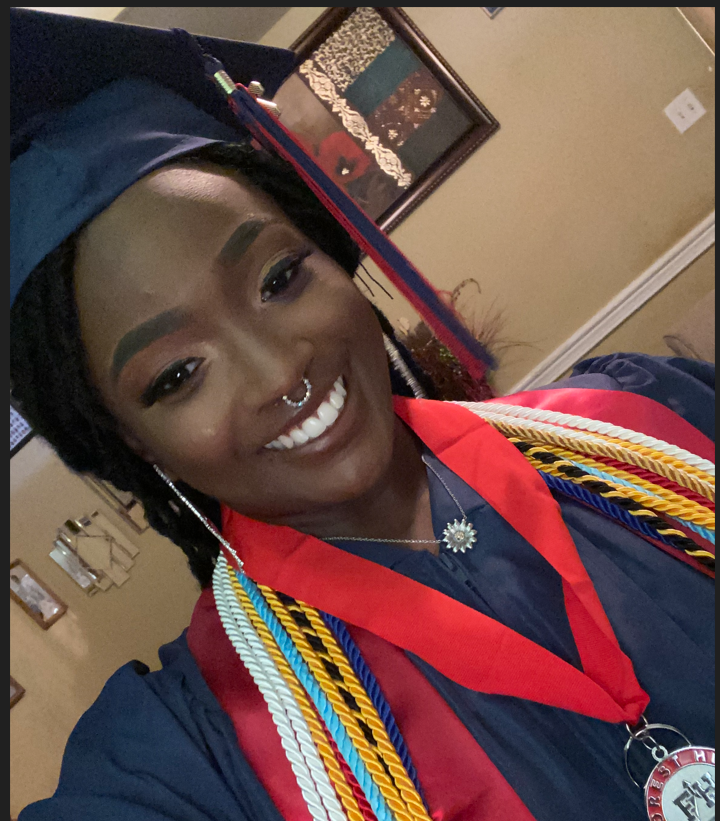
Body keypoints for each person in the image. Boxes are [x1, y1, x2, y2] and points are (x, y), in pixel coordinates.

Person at [10, 9, 714, 821]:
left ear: (331, 251)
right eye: (177, 374)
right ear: (131, 441)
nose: (280, 371)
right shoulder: (196, 753)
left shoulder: (649, 417)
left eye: (278, 278)